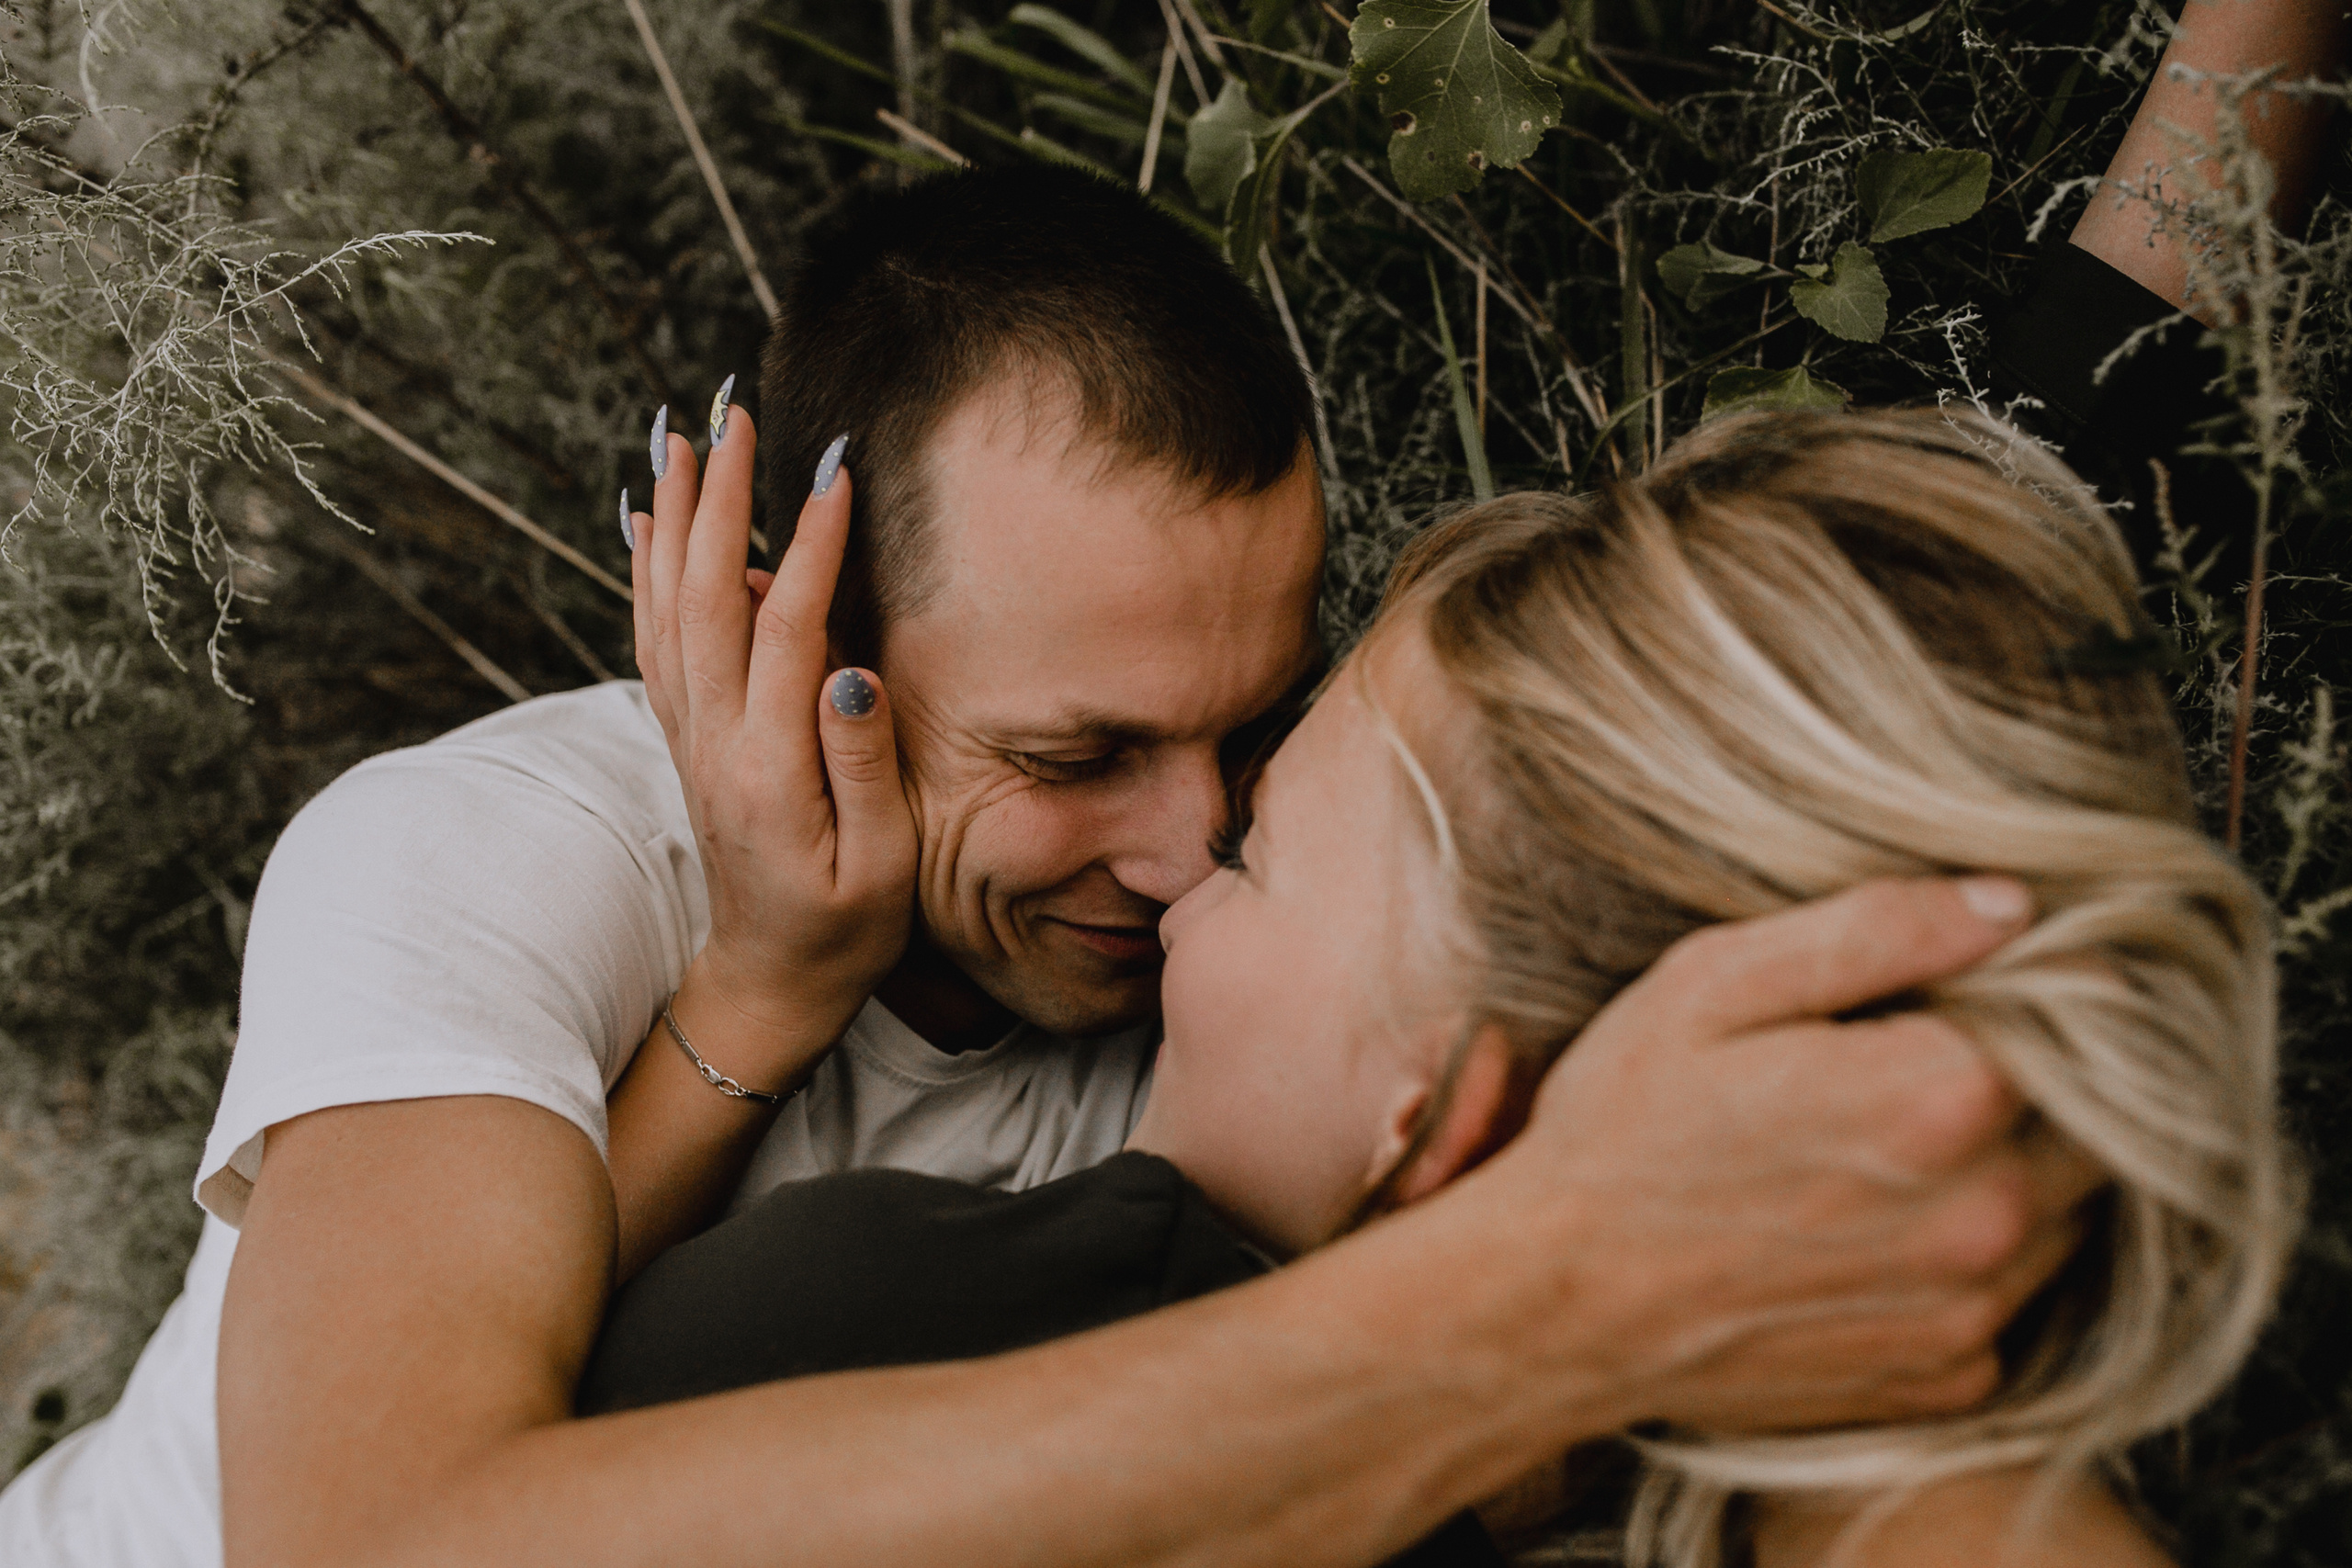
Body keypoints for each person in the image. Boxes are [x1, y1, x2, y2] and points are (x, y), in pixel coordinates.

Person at [2, 0, 2332, 1552]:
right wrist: (762, 989)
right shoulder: (490, 850)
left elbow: (1840, 676)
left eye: (1261, 734)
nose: (1192, 838)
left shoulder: (1276, 970)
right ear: (807, 654)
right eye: (1073, 753)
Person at [580, 406, 2291, 1568]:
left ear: (1450, 1099)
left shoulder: (866, 1320)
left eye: (1255, 851)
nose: (1177, 891)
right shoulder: (1793, 1470)